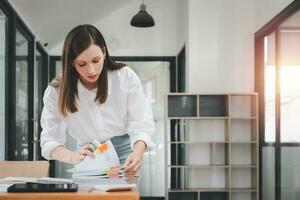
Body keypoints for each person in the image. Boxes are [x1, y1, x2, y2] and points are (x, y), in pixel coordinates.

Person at [40, 24, 155, 175]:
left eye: (96, 60)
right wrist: (72, 156)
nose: (91, 70)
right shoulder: (56, 92)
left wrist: (138, 153)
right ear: (72, 63)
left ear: (104, 53)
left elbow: (141, 124)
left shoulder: (124, 77)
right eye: (82, 64)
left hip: (126, 152)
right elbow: (49, 140)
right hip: (87, 155)